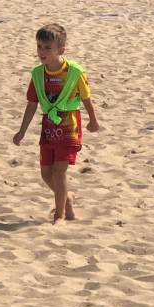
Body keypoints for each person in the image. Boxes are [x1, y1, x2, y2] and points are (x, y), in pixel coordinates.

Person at [13, 24, 100, 225]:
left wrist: (93, 120)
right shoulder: (37, 74)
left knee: (59, 171)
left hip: (69, 126)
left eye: (47, 48)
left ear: (60, 50)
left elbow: (86, 98)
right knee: (46, 174)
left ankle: (59, 215)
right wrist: (22, 131)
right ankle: (66, 197)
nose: (42, 51)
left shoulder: (75, 72)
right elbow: (32, 104)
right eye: (39, 46)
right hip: (48, 127)